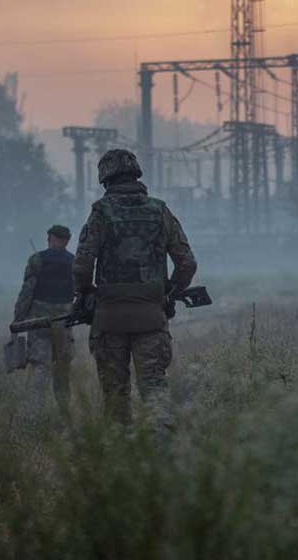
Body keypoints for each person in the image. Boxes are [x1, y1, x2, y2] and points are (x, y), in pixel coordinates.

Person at [72, 149, 197, 428]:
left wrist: (86, 294)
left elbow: (81, 266)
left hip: (109, 320)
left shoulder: (100, 213)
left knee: (115, 400)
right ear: (136, 174)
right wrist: (170, 291)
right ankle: (163, 457)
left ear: (105, 179)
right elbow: (187, 263)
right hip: (151, 319)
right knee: (155, 393)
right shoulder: (159, 211)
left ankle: (121, 461)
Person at [13, 224, 76, 407]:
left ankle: (35, 410)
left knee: (41, 365)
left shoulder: (37, 260)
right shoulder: (74, 262)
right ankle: (65, 411)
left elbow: (27, 292)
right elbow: (78, 291)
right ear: (66, 241)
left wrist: (18, 319)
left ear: (51, 238)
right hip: (64, 322)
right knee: (62, 368)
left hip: (39, 322)